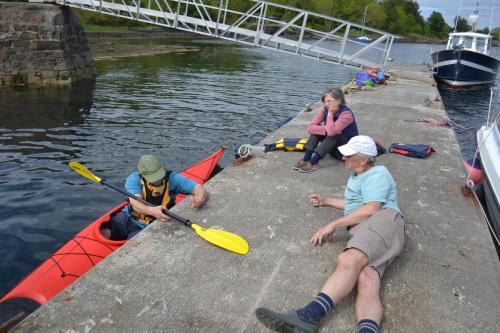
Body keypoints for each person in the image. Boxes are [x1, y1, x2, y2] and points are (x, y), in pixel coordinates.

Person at [256, 135, 405, 333]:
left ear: (362, 159)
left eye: (347, 155)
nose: (343, 158)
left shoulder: (377, 173)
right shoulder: (360, 176)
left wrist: (332, 225)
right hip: (373, 230)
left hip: (383, 221)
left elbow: (372, 209)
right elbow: (358, 207)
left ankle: (309, 316)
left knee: (348, 260)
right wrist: (326, 200)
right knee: (367, 279)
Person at [108, 154, 208, 240]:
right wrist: (152, 211)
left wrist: (199, 198)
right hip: (128, 216)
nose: (157, 180)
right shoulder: (134, 178)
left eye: (158, 174)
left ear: (162, 168)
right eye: (152, 177)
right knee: (108, 229)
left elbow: (198, 188)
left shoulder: (172, 178)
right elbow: (136, 204)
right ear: (142, 173)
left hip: (148, 225)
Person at [294, 87, 358, 173]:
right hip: (332, 150)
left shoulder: (346, 114)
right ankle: (306, 158)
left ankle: (313, 162)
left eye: (329, 101)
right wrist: (327, 129)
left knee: (335, 133)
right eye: (325, 101)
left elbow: (332, 132)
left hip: (346, 153)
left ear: (338, 101)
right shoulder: (324, 110)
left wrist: (330, 114)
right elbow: (310, 128)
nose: (326, 104)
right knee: (316, 132)